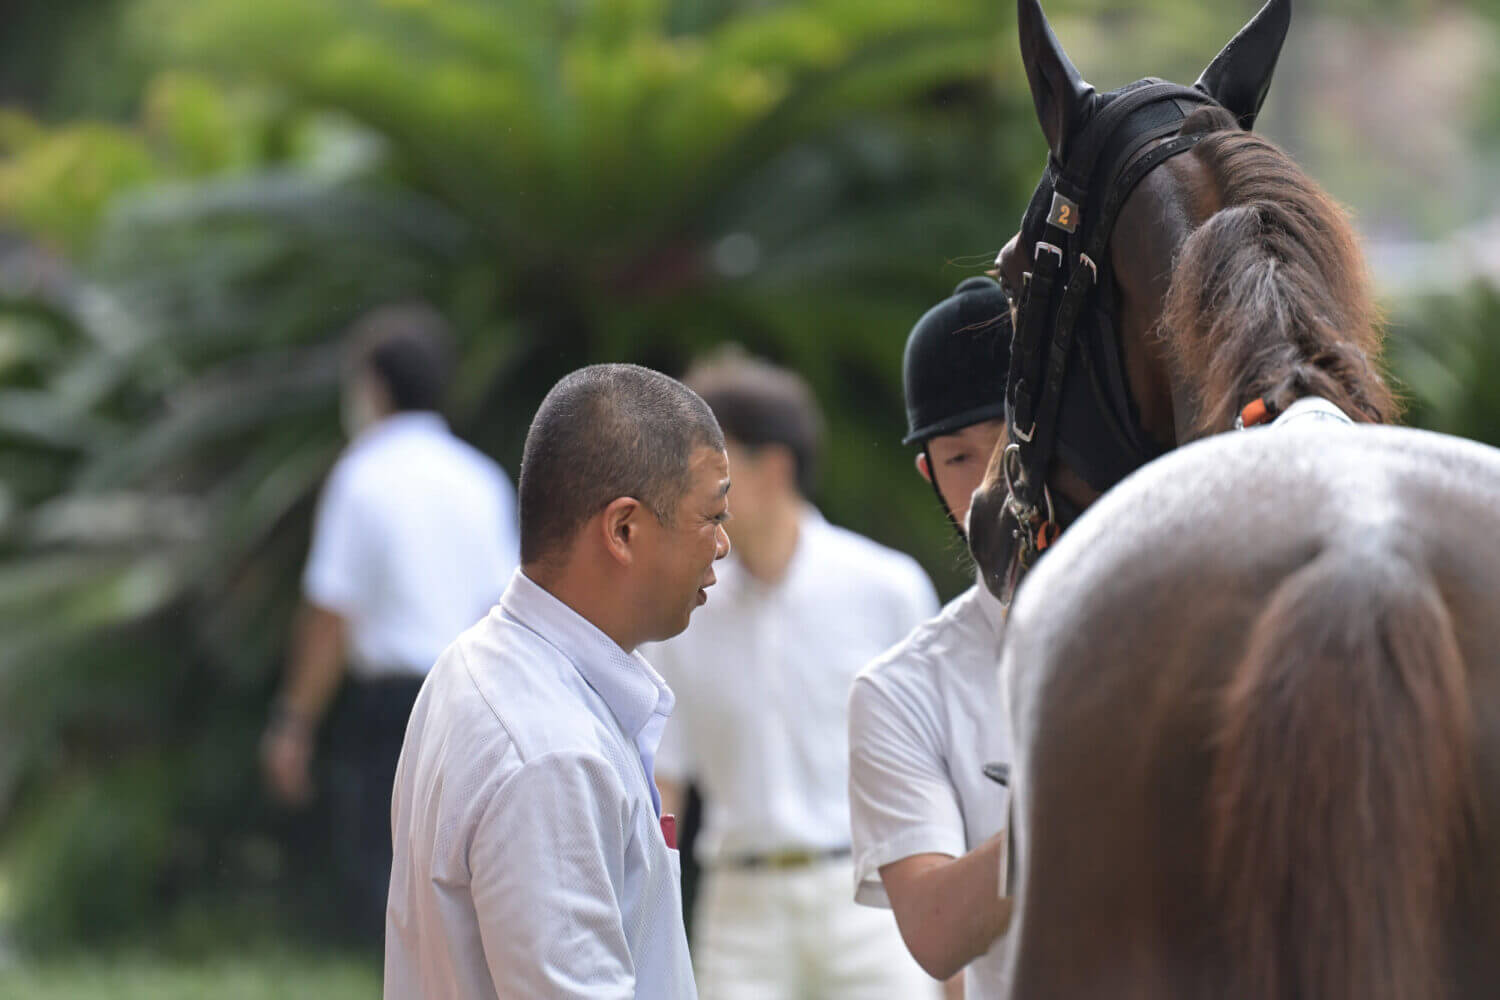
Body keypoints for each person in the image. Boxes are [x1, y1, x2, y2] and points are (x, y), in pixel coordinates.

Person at [385, 363, 730, 999]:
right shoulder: (550, 750)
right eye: (711, 516)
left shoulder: (478, 662)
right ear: (624, 530)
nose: (723, 545)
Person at [647, 351, 942, 1000]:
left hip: (870, 902)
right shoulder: (680, 611)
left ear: (773, 468)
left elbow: (931, 766)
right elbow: (664, 781)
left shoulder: (885, 588)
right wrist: (644, 918)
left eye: (700, 472)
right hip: (739, 908)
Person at [260, 303, 519, 941]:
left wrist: (295, 722)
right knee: (464, 881)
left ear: (374, 386)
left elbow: (331, 613)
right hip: (474, 699)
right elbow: (503, 610)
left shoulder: (362, 477)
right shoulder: (480, 479)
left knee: (388, 882)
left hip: (391, 709)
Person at [848, 276, 1015, 999]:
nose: (993, 483)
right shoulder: (900, 691)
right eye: (959, 457)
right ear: (927, 473)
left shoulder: (1181, 621)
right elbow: (936, 930)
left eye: (1015, 443)